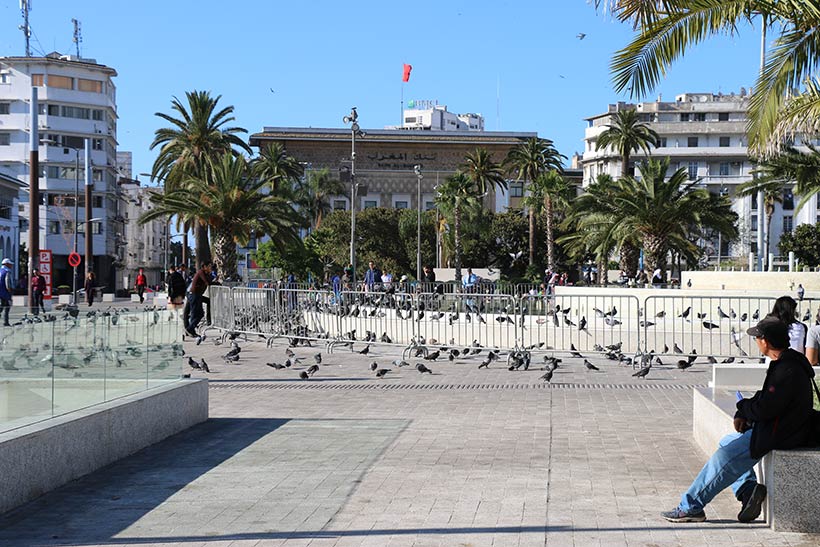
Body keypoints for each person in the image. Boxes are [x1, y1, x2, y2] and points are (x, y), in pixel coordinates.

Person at [661, 315, 815, 523]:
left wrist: (743, 408)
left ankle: (691, 506)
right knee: (726, 441)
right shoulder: (787, 363)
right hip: (782, 428)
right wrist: (745, 413)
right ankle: (748, 491)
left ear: (765, 341)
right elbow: (769, 401)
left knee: (723, 458)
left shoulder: (786, 370)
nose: (756, 342)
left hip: (779, 434)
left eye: (757, 338)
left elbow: (765, 408)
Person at [185, 262, 212, 337]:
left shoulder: (206, 274)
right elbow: (207, 282)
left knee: (199, 313)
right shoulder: (201, 272)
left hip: (198, 295)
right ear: (204, 267)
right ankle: (190, 329)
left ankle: (191, 329)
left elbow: (210, 281)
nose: (210, 268)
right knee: (196, 314)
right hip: (194, 295)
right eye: (209, 266)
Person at [0, 258, 12, 326]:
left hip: (1, 292)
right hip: (5, 292)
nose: (11, 266)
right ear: (6, 264)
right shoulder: (7, 271)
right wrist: (9, 289)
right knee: (6, 307)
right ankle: (6, 322)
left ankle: (6, 321)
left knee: (2, 306)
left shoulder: (0, 271)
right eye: (10, 264)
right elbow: (7, 282)